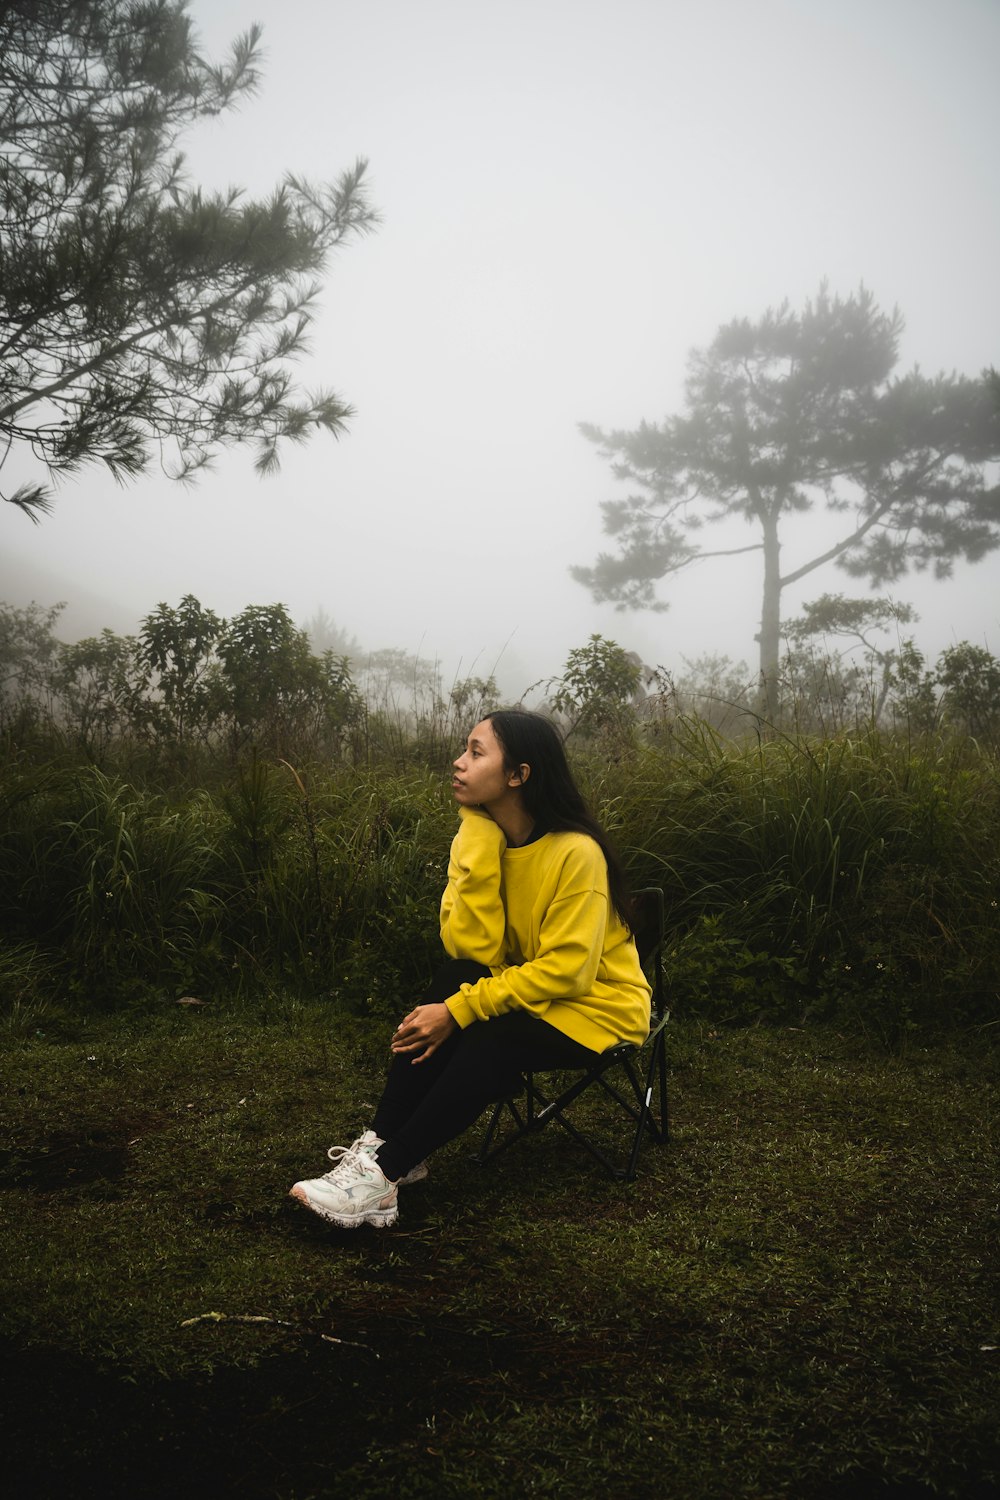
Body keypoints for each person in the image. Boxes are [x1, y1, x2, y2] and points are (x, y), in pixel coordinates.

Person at [289, 708, 651, 1228]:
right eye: (465, 749)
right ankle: (384, 1147)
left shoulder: (576, 853)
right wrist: (479, 842)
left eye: (476, 753)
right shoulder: (486, 841)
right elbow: (471, 953)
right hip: (533, 997)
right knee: (452, 980)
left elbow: (567, 972)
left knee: (489, 1032)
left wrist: (459, 1013)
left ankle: (384, 1172)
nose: (458, 763)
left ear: (518, 775)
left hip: (596, 1008)